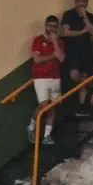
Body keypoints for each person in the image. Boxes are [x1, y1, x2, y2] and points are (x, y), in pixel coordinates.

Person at [29, 15, 65, 145]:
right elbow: (37, 59)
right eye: (50, 26)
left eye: (55, 26)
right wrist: (52, 56)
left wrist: (55, 42)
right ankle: (31, 127)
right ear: (45, 26)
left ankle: (47, 136)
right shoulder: (38, 40)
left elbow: (61, 58)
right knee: (44, 105)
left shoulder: (59, 43)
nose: (52, 29)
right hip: (41, 77)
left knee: (52, 107)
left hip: (55, 78)